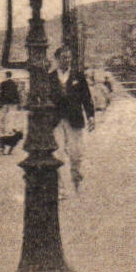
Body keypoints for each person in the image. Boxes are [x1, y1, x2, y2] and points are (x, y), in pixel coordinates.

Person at [52, 46, 96, 196]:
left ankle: (76, 179)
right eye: (64, 58)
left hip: (74, 119)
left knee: (76, 153)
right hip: (56, 120)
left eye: (69, 57)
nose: (67, 60)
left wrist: (90, 116)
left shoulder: (78, 76)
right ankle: (60, 188)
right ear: (57, 59)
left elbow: (86, 97)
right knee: (57, 154)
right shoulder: (50, 77)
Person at [0, 70, 23, 140]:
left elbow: (2, 93)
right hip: (13, 103)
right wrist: (18, 102)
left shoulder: (3, 83)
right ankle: (11, 130)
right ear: (11, 76)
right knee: (11, 117)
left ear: (6, 75)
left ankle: (4, 130)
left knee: (3, 117)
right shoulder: (14, 83)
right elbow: (16, 93)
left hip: (5, 102)